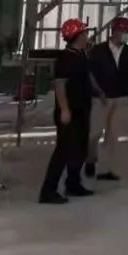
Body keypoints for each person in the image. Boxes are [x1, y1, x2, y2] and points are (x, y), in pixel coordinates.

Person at [39, 19, 105, 204]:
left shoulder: (81, 54)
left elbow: (88, 75)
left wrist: (98, 91)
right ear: (77, 36)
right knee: (63, 151)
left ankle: (73, 184)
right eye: (84, 33)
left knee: (80, 149)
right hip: (70, 111)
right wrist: (65, 109)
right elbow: (60, 84)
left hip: (83, 109)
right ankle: (48, 191)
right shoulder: (65, 58)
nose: (87, 36)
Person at [86, 16, 128, 181]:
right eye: (124, 31)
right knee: (94, 132)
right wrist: (98, 91)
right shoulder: (99, 50)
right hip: (101, 98)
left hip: (120, 98)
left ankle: (107, 168)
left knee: (113, 135)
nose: (126, 34)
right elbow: (90, 73)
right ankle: (90, 160)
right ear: (115, 31)